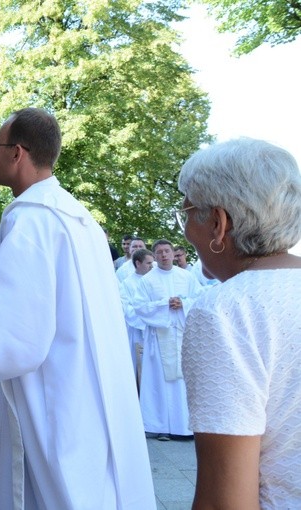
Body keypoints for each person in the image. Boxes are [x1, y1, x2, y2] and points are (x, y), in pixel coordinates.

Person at [0, 108, 155, 509]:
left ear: (17, 153)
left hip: (51, 393)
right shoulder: (79, 217)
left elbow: (14, 337)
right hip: (91, 385)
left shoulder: (30, 218)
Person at [178, 138, 301, 508]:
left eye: (186, 213)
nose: (184, 228)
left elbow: (225, 499)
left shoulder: (227, 310)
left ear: (218, 223)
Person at [131, 239, 201, 441]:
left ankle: (185, 427)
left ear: (173, 253)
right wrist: (164, 304)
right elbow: (139, 306)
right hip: (158, 337)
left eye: (167, 251)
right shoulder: (147, 280)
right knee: (159, 382)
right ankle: (161, 425)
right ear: (154, 255)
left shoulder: (186, 277)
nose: (164, 255)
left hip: (181, 336)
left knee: (182, 381)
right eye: (159, 252)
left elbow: (200, 298)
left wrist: (184, 303)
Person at [118, 248, 154, 384]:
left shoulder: (154, 279)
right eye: (148, 263)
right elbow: (127, 308)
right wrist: (148, 317)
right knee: (140, 370)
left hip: (155, 330)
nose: (152, 266)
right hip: (137, 332)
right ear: (138, 263)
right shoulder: (127, 283)